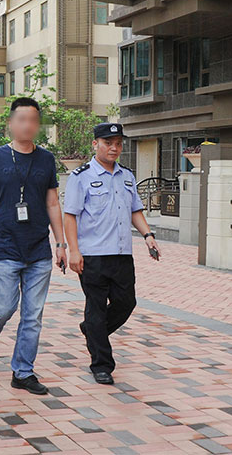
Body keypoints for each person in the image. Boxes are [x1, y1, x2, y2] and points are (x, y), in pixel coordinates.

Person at [0, 97, 68, 396]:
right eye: (22, 120)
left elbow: (52, 202)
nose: (27, 125)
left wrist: (60, 243)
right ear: (10, 123)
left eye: (33, 120)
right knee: (4, 307)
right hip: (6, 246)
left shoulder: (45, 159)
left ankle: (23, 372)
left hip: (39, 250)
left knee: (32, 316)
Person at [62, 122, 160, 385]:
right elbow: (70, 216)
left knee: (126, 303)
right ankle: (102, 365)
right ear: (95, 144)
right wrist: (74, 251)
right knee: (95, 308)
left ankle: (92, 331)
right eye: (108, 143)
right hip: (92, 255)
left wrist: (148, 236)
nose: (114, 148)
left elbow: (135, 210)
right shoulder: (80, 176)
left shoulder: (127, 176)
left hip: (121, 253)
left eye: (118, 143)